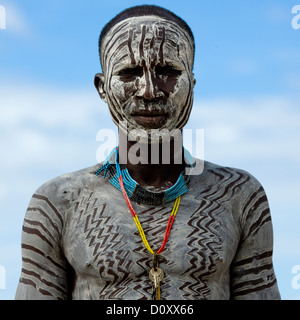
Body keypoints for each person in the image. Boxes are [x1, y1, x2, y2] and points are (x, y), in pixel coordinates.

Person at [15, 5, 280, 300]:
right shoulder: (58, 202)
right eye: (129, 73)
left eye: (168, 72)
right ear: (102, 88)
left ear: (192, 84)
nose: (150, 91)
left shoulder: (239, 195)